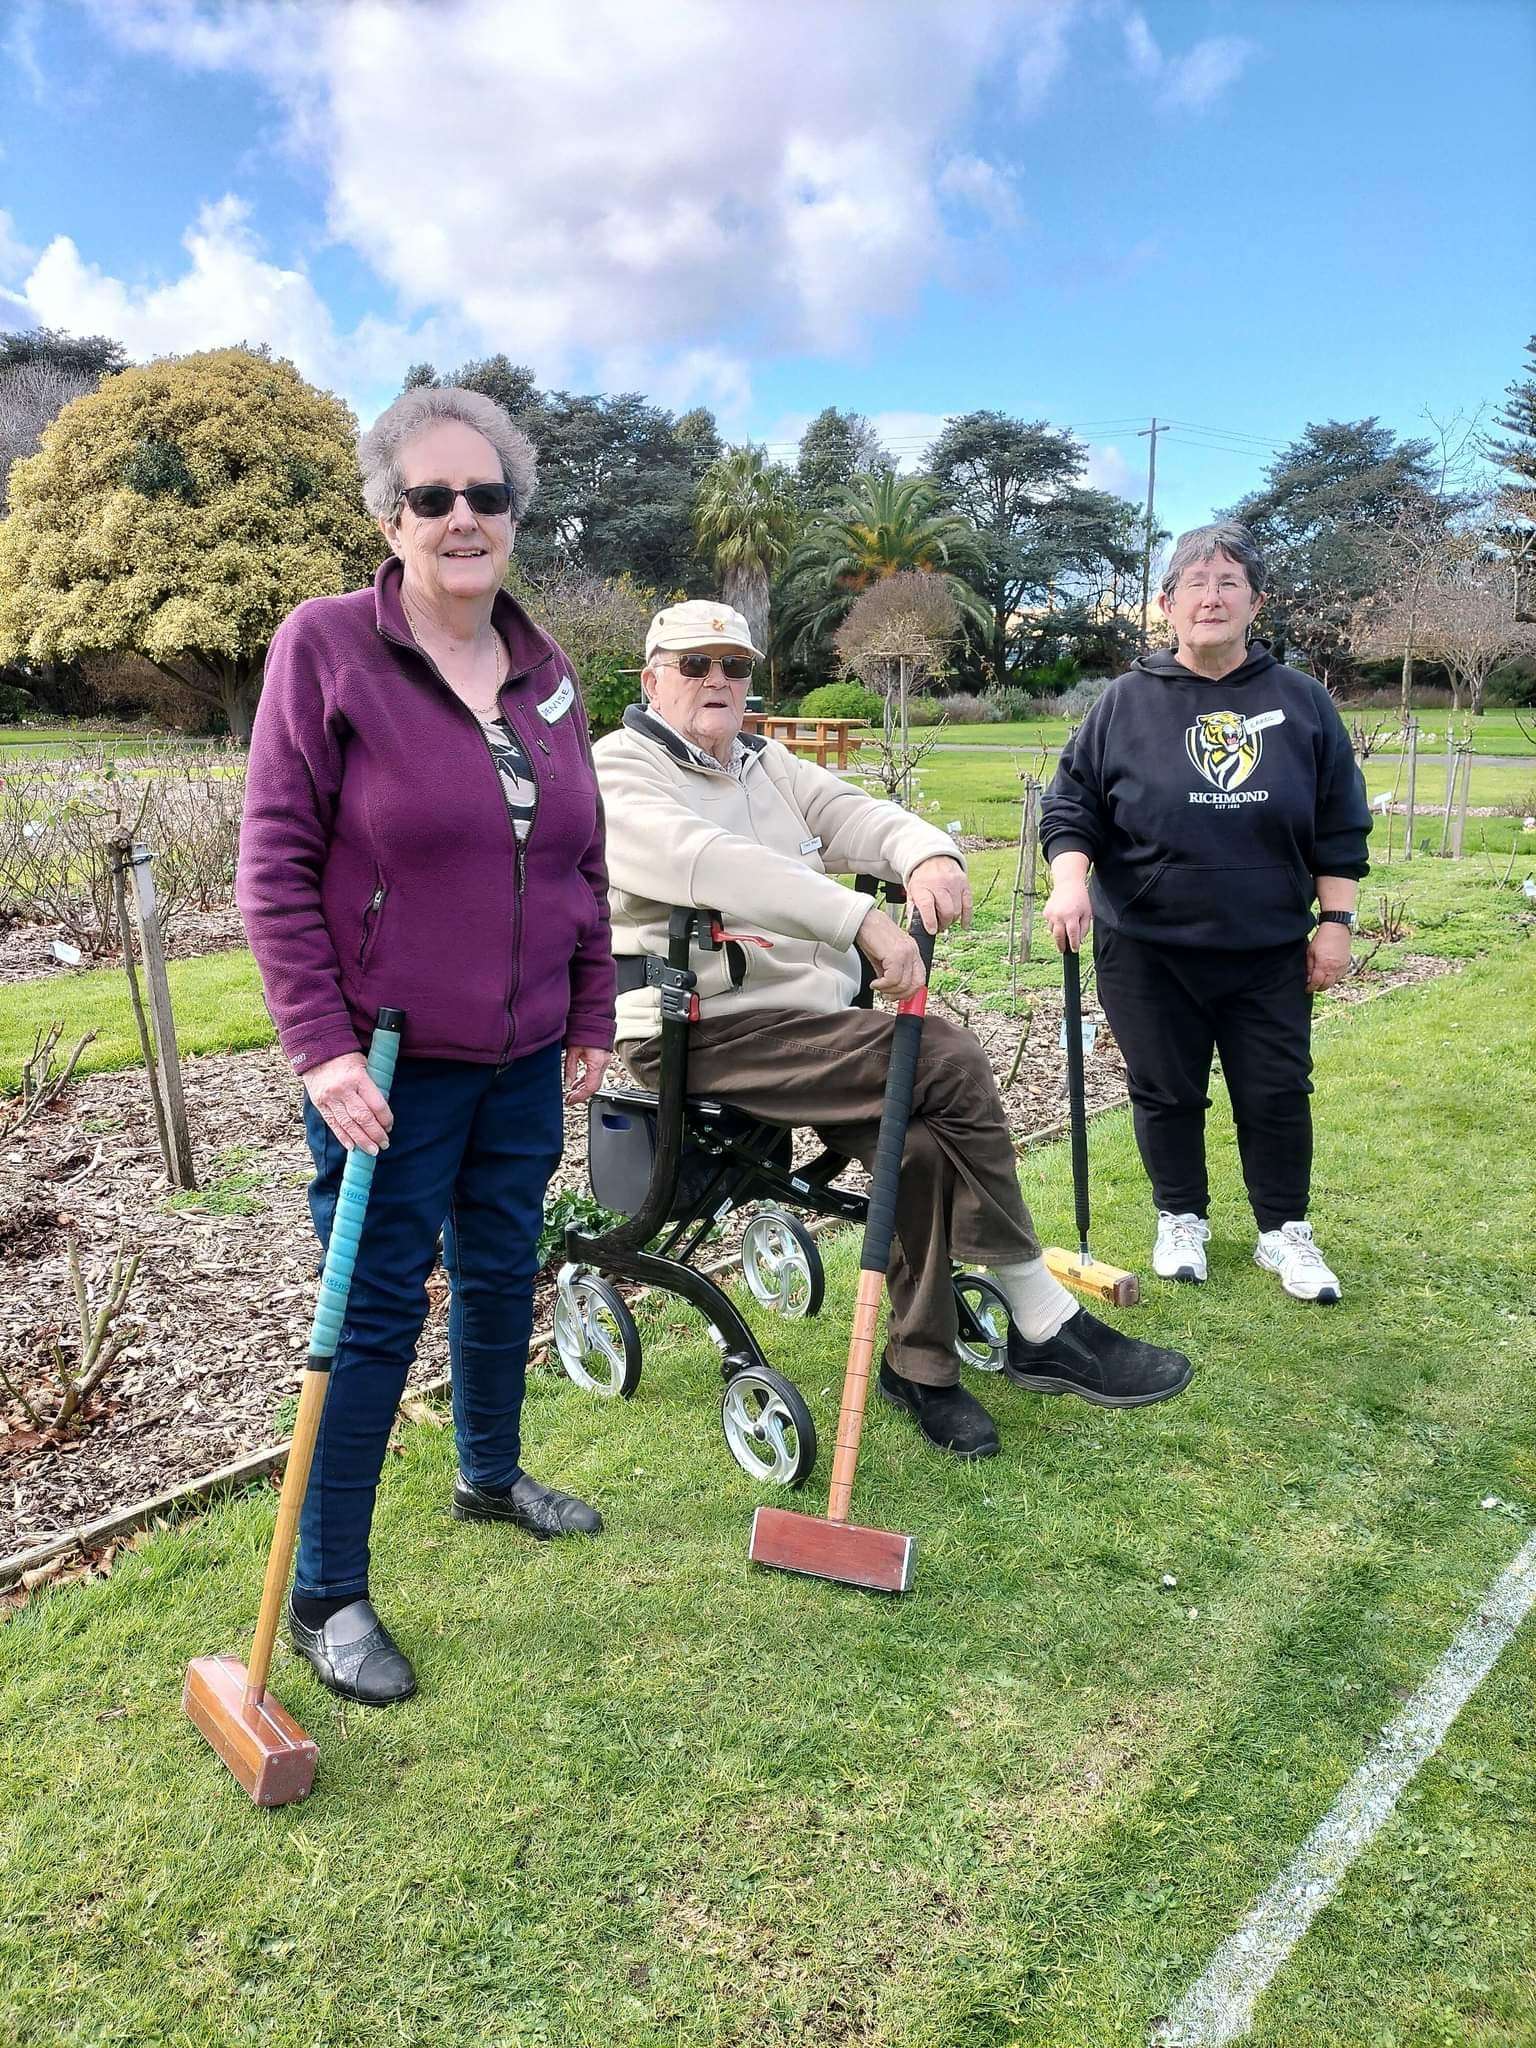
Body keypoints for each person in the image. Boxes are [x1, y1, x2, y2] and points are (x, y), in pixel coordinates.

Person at [592, 600, 1193, 1462]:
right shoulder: (621, 770)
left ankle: (921, 1369)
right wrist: (859, 921)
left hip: (810, 1025)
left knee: (912, 1148)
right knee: (944, 1056)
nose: (718, 681)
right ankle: (1043, 1319)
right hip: (700, 1027)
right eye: (695, 665)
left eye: (734, 665)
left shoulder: (762, 763)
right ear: (652, 679)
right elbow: (709, 861)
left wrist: (926, 852)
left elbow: (853, 813)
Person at [237, 386, 616, 1705]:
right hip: (386, 1063)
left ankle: (489, 1472)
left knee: (504, 1260)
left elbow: (579, 858)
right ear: (391, 518)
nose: (464, 519)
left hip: (518, 1055)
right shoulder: (328, 646)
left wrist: (589, 1011)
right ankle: (330, 1591)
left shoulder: (549, 671)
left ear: (515, 513)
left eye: (488, 496)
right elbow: (275, 864)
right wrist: (320, 1050)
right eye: (434, 498)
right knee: (377, 1309)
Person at [1041, 520, 1370, 1303]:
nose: (1212, 597)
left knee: (1277, 1092)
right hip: (1147, 948)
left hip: (1266, 947)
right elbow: (1072, 809)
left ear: (1256, 601)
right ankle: (1180, 1216)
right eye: (1195, 583)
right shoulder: (1123, 703)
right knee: (1165, 1090)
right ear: (1167, 604)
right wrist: (1069, 881)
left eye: (1228, 582)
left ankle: (1284, 1232)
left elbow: (1339, 823)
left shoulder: (1302, 703)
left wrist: (1336, 922)